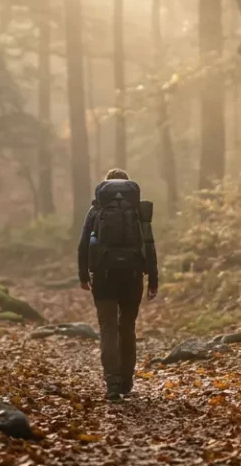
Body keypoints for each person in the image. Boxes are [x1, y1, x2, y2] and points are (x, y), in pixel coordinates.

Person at [77, 168, 159, 400]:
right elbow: (149, 245)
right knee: (127, 329)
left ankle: (112, 384)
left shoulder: (96, 210)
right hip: (132, 275)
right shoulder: (137, 210)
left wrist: (83, 275)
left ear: (105, 186)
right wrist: (153, 279)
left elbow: (83, 244)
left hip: (103, 275)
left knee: (108, 329)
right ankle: (126, 381)